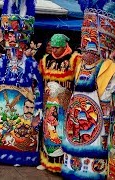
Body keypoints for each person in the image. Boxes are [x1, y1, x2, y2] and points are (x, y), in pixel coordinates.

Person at [0, 1, 44, 167]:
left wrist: (39, 102)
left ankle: (18, 156)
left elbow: (39, 84)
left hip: (23, 104)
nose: (14, 43)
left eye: (18, 40)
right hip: (1, 103)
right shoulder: (2, 61)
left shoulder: (30, 63)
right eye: (10, 37)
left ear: (24, 43)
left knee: (20, 130)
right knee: (0, 127)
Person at [60, 8, 115, 179]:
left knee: (92, 146)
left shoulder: (108, 67)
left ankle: (92, 173)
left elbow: (109, 93)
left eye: (88, 50)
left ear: (96, 52)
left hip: (95, 116)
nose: (84, 53)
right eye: (84, 49)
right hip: (77, 114)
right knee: (74, 141)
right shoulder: (79, 66)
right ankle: (72, 169)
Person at [36, 33, 81, 173]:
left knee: (62, 132)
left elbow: (79, 82)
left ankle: (62, 164)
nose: (53, 50)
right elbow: (39, 81)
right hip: (48, 103)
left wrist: (64, 92)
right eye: (52, 47)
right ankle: (46, 161)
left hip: (65, 105)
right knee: (48, 131)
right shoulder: (45, 60)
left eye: (56, 48)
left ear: (64, 46)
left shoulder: (74, 59)